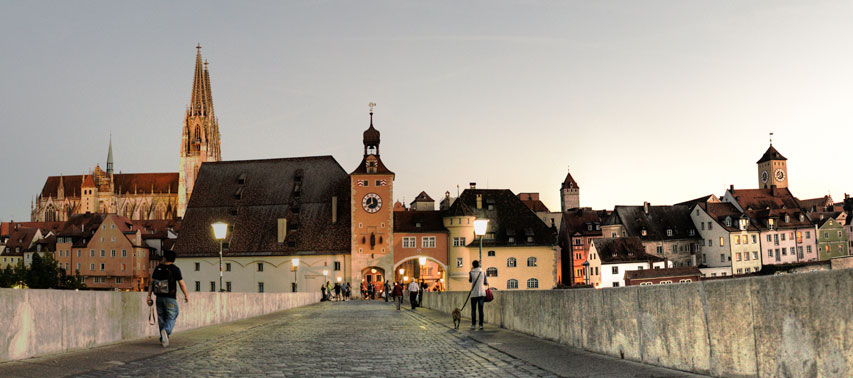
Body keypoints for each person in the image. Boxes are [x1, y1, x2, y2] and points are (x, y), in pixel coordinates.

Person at [147, 250, 189, 347]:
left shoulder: (158, 268)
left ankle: (163, 339)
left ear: (165, 258)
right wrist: (186, 295)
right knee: (173, 314)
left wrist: (149, 296)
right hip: (170, 298)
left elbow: (151, 282)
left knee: (161, 317)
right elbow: (181, 284)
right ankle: (166, 331)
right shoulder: (175, 269)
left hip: (159, 298)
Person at [469, 260, 488, 330]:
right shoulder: (483, 272)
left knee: (473, 310)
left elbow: (470, 280)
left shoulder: (471, 272)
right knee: (481, 310)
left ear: (473, 265)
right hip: (482, 293)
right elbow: (485, 282)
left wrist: (471, 271)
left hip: (474, 293)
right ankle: (481, 325)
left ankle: (473, 324)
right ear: (479, 265)